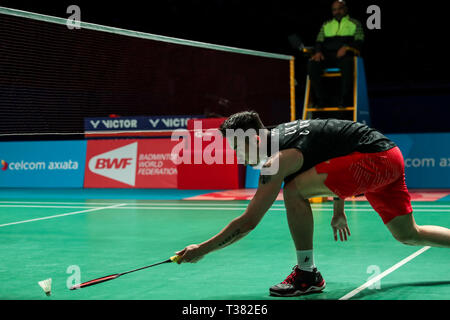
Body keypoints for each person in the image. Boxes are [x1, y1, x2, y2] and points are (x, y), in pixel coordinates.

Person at [175, 111, 450, 297]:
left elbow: (249, 222)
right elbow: (337, 149)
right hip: (388, 156)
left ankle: (307, 274)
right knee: (408, 234)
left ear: (254, 139)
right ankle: (307, 274)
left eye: (237, 148)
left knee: (294, 191)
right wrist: (338, 210)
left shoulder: (277, 160)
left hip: (374, 159)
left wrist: (202, 249)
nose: (236, 156)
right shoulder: (281, 139)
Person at [308, 0, 364, 108]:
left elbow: (359, 41)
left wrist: (347, 47)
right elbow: (319, 41)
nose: (337, 12)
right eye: (334, 10)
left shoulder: (355, 23)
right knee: (313, 63)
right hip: (328, 56)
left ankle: (344, 100)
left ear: (345, 9)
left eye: (340, 9)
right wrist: (318, 52)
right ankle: (321, 100)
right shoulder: (326, 24)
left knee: (348, 63)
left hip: (344, 56)